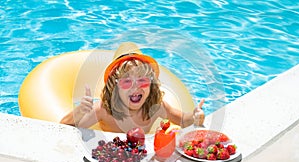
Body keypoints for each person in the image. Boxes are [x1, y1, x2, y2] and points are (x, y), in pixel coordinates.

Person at [60, 42, 205, 133]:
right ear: (115, 87)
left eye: (142, 80)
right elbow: (64, 127)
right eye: (127, 81)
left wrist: (195, 116)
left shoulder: (156, 107)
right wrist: (80, 110)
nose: (135, 88)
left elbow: (183, 120)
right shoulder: (103, 110)